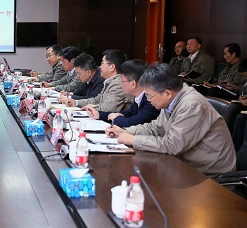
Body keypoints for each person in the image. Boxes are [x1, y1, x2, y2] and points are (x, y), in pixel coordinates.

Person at [106, 63, 236, 176]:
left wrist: (134, 140)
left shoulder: (191, 105)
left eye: (149, 96)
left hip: (208, 173)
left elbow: (173, 145)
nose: (148, 100)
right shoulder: (171, 99)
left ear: (167, 93)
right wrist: (126, 131)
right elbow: (156, 128)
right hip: (185, 164)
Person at [86, 59, 159, 127]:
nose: (120, 84)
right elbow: (129, 114)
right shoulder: (139, 97)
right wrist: (99, 114)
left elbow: (132, 122)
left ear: (133, 84)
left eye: (122, 81)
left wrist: (116, 118)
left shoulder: (150, 101)